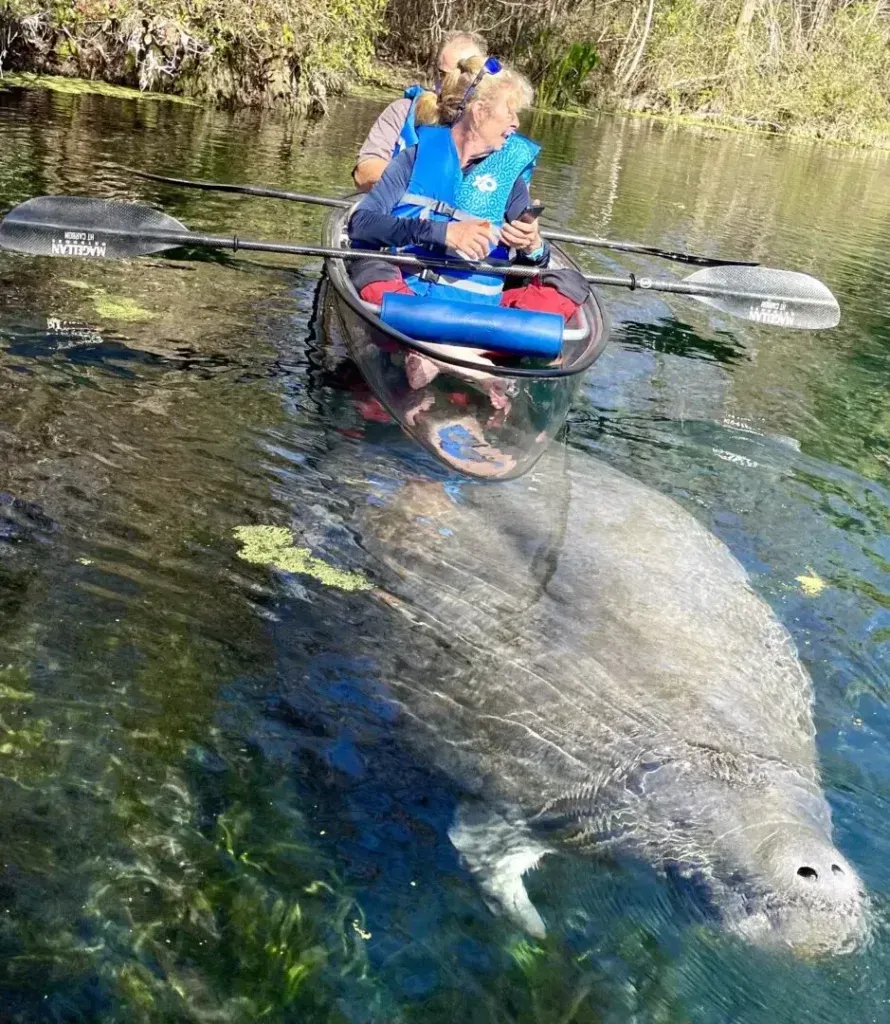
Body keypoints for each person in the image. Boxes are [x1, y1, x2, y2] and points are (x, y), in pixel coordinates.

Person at [347, 55, 590, 326]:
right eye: (510, 112)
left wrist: (533, 246)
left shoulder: (509, 177)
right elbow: (361, 224)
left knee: (570, 283)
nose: (516, 123)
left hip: (481, 314)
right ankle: (482, 356)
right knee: (368, 267)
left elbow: (530, 268)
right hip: (415, 300)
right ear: (479, 111)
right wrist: (442, 232)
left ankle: (447, 354)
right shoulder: (414, 158)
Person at [352, 31, 487, 192]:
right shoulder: (402, 111)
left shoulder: (499, 131)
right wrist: (426, 177)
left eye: (461, 76)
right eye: (443, 75)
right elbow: (364, 175)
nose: (447, 84)